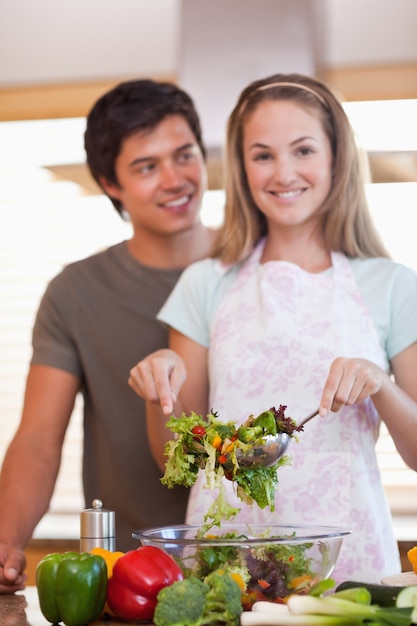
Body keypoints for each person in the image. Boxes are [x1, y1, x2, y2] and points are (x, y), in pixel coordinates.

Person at [128, 73, 417, 584]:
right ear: (242, 168)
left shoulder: (391, 285)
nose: (284, 173)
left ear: (336, 157)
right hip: (226, 567)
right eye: (262, 155)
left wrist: (382, 385)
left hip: (351, 568)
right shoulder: (206, 284)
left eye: (303, 150)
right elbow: (179, 459)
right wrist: (162, 385)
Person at [0, 78, 217, 592]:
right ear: (110, 183)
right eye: (146, 166)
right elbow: (37, 440)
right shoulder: (75, 292)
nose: (174, 179)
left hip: (253, 562)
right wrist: (6, 543)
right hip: (130, 575)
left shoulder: (258, 272)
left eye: (184, 155)